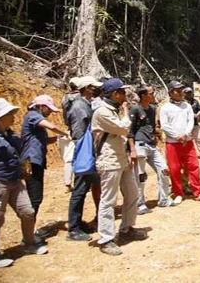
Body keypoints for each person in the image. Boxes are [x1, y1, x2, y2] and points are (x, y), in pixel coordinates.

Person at [0, 98, 48, 268]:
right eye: (9, 114)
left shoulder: (8, 134)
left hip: (15, 182)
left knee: (28, 212)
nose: (13, 117)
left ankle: (28, 243)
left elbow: (18, 153)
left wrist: (22, 169)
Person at [93, 78, 146, 256]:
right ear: (114, 94)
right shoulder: (102, 112)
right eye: (122, 92)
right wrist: (125, 112)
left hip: (121, 159)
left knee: (133, 194)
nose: (125, 95)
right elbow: (123, 129)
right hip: (109, 161)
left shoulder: (113, 110)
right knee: (109, 200)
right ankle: (106, 239)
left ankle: (127, 228)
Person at [21, 95, 67, 238]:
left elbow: (43, 140)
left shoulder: (34, 119)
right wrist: (66, 133)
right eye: (49, 110)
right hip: (31, 161)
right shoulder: (33, 116)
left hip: (37, 161)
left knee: (35, 197)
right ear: (41, 107)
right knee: (34, 197)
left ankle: (30, 230)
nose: (50, 113)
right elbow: (52, 127)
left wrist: (58, 138)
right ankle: (28, 234)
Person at [160, 80, 200, 205]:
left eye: (182, 90)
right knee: (174, 169)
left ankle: (198, 193)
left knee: (193, 167)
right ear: (171, 92)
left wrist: (186, 134)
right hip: (173, 143)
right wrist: (177, 136)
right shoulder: (165, 108)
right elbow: (164, 125)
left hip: (187, 142)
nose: (181, 93)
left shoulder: (187, 106)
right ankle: (178, 193)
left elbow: (190, 121)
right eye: (178, 90)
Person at [66, 75, 103, 242]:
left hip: (88, 151)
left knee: (86, 187)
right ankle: (73, 229)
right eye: (93, 87)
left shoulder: (85, 104)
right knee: (80, 190)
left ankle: (78, 223)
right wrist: (86, 151)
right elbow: (79, 133)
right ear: (87, 88)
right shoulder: (80, 106)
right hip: (84, 152)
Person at [128, 85, 175, 215]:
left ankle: (163, 199)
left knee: (164, 170)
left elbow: (152, 127)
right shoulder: (135, 109)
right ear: (143, 96)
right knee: (141, 175)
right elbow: (129, 130)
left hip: (151, 145)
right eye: (151, 93)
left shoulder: (152, 109)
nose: (153, 94)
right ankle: (139, 204)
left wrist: (156, 142)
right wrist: (132, 149)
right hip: (140, 145)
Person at [60, 77, 81, 192]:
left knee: (69, 158)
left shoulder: (65, 98)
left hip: (70, 129)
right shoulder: (81, 98)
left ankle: (68, 183)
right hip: (82, 129)